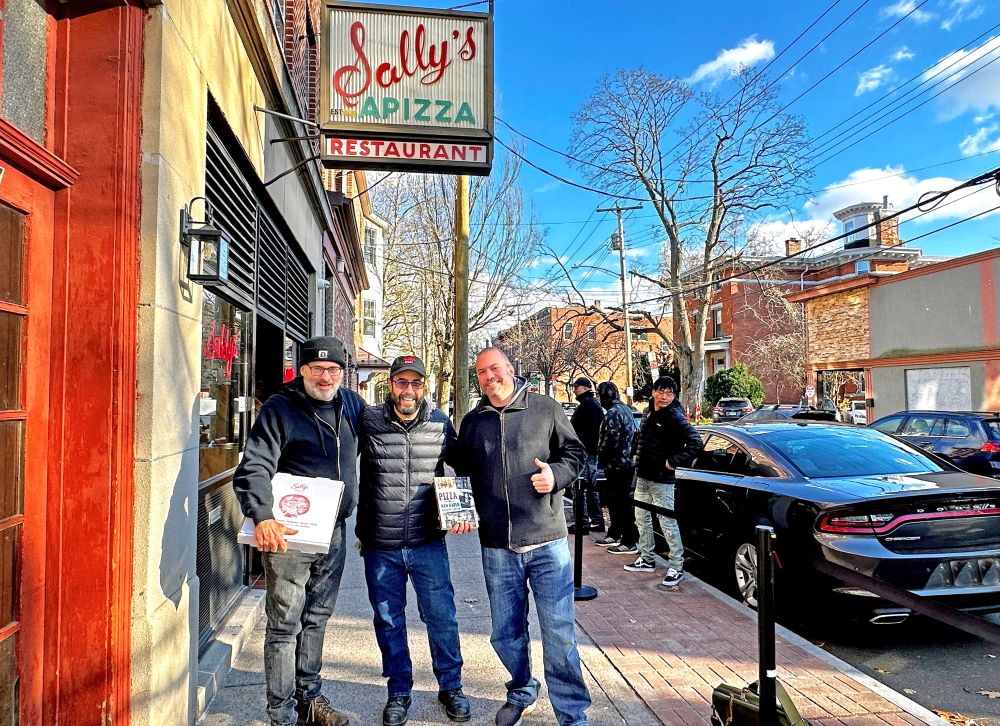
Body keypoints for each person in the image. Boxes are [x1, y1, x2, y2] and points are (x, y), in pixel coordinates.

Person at [452, 348, 590, 726]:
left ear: (510, 369)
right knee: (505, 633)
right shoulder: (472, 422)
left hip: (547, 543)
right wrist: (459, 510)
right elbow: (460, 474)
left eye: (494, 368)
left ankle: (572, 713)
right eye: (480, 372)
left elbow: (576, 455)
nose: (488, 376)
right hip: (497, 547)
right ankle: (521, 689)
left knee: (559, 635)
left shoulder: (545, 409)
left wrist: (556, 476)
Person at [233, 336, 363, 726]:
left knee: (317, 617)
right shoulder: (280, 408)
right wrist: (263, 516)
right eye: (318, 369)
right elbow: (254, 465)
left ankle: (310, 701)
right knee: (285, 623)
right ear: (302, 369)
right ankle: (282, 714)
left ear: (343, 372)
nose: (326, 377)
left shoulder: (352, 405)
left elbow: (388, 435)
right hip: (289, 536)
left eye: (334, 370)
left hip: (334, 532)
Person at [356, 355, 471, 726]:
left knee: (441, 617)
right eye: (401, 382)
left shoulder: (440, 424)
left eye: (416, 383)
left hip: (427, 542)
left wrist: (464, 510)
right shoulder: (368, 420)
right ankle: (399, 691)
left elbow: (467, 465)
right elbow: (334, 454)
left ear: (425, 386)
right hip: (380, 545)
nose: (409, 390)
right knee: (389, 621)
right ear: (390, 385)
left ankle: (450, 686)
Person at [625, 375, 703, 588]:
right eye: (661, 391)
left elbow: (696, 442)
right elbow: (640, 436)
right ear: (653, 392)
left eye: (669, 393)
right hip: (643, 476)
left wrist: (672, 462)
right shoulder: (649, 411)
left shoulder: (674, 416)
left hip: (662, 479)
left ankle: (676, 566)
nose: (665, 397)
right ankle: (646, 557)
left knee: (667, 522)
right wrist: (635, 453)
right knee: (642, 518)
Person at [594, 382, 639, 555]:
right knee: (617, 502)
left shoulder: (613, 413)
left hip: (617, 466)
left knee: (620, 503)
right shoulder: (626, 409)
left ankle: (628, 541)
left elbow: (610, 441)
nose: (598, 399)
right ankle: (615, 533)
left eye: (599, 395)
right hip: (626, 464)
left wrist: (601, 456)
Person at [568, 377, 606, 534]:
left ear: (583, 388)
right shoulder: (592, 404)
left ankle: (582, 523)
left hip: (584, 453)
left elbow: (583, 431)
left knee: (580, 488)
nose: (574, 390)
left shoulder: (587, 405)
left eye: (576, 387)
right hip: (590, 452)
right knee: (590, 488)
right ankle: (596, 520)